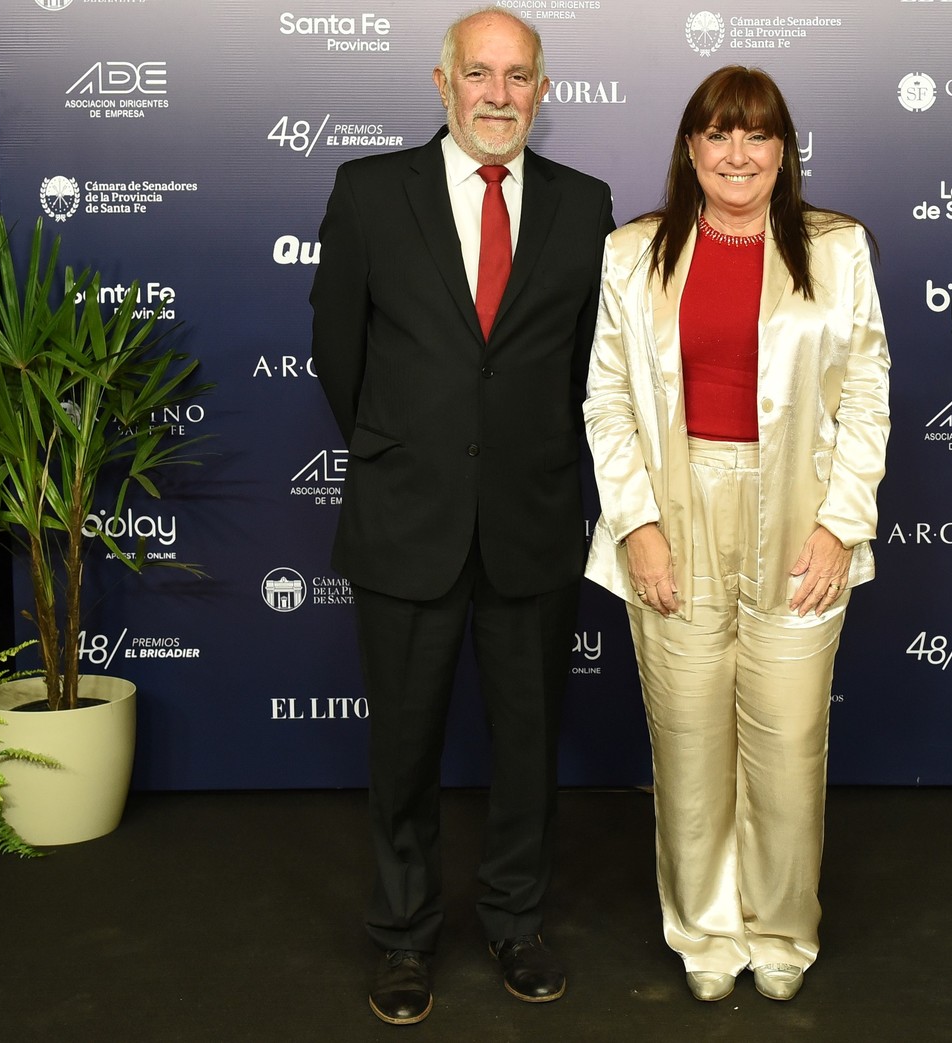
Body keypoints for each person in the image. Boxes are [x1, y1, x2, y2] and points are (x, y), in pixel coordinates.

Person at [310, 6, 613, 1026]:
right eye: (478, 73)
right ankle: (402, 937)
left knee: (527, 745)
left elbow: (582, 373)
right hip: (407, 518)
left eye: (517, 75)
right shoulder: (366, 192)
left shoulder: (584, 206)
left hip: (528, 517)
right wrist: (413, 450)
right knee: (402, 745)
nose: (497, 93)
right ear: (441, 84)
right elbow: (339, 359)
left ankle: (516, 920)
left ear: (540, 90)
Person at [583, 65, 891, 1004]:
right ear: (689, 148)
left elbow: (868, 393)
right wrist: (635, 524)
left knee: (790, 742)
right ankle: (706, 933)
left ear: (783, 150)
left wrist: (840, 525)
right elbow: (605, 401)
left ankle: (782, 927)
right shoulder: (631, 252)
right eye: (718, 134)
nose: (737, 153)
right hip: (675, 511)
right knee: (685, 740)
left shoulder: (837, 249)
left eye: (756, 135)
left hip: (797, 511)